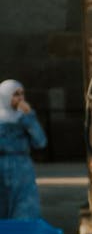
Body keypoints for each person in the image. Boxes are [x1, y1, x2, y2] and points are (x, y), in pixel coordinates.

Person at [0, 79, 48, 221]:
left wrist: (30, 119)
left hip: (22, 170)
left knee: (24, 209)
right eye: (16, 94)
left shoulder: (26, 118)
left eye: (22, 94)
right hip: (1, 169)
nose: (20, 98)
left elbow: (41, 142)